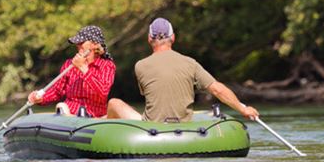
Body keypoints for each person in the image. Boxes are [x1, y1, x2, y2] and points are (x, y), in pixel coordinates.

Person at [107, 17, 259, 122]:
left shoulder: (140, 65)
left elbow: (147, 93)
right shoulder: (190, 63)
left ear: (149, 39)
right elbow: (217, 89)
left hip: (153, 126)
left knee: (114, 103)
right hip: (183, 125)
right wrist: (243, 109)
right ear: (173, 38)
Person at [27, 25, 116, 118]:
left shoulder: (107, 65)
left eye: (81, 42)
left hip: (96, 117)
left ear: (94, 44)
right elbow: (57, 91)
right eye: (77, 42)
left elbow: (103, 91)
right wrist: (40, 98)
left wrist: (83, 68)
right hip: (70, 113)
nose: (78, 45)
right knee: (61, 106)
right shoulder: (69, 64)